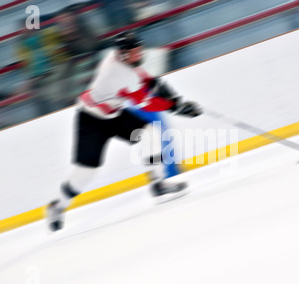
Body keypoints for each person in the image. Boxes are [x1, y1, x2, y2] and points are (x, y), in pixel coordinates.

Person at [46, 31, 202, 232]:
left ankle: (158, 184)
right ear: (122, 55)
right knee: (86, 172)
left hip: (114, 113)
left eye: (139, 50)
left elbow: (149, 81)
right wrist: (177, 107)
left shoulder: (125, 62)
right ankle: (58, 206)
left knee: (149, 134)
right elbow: (147, 102)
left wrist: (177, 101)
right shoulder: (118, 73)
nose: (138, 55)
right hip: (91, 120)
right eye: (133, 52)